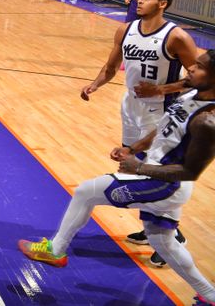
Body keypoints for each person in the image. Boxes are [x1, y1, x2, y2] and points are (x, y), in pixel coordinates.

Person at [19, 50, 215, 306]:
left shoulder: (207, 122)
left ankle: (55, 251)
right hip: (160, 176)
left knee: (87, 191)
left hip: (166, 183)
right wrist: (133, 148)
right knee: (161, 240)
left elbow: (191, 171)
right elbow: (164, 128)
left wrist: (139, 168)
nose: (190, 68)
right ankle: (210, 296)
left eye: (199, 67)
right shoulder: (192, 92)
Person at [80, 0, 199, 266]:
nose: (139, 0)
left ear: (163, 4)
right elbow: (111, 67)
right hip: (130, 109)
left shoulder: (177, 37)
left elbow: (200, 79)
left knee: (159, 175)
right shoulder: (125, 30)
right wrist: (94, 85)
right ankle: (153, 229)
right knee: (135, 172)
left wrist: (161, 89)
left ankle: (174, 237)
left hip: (162, 113)